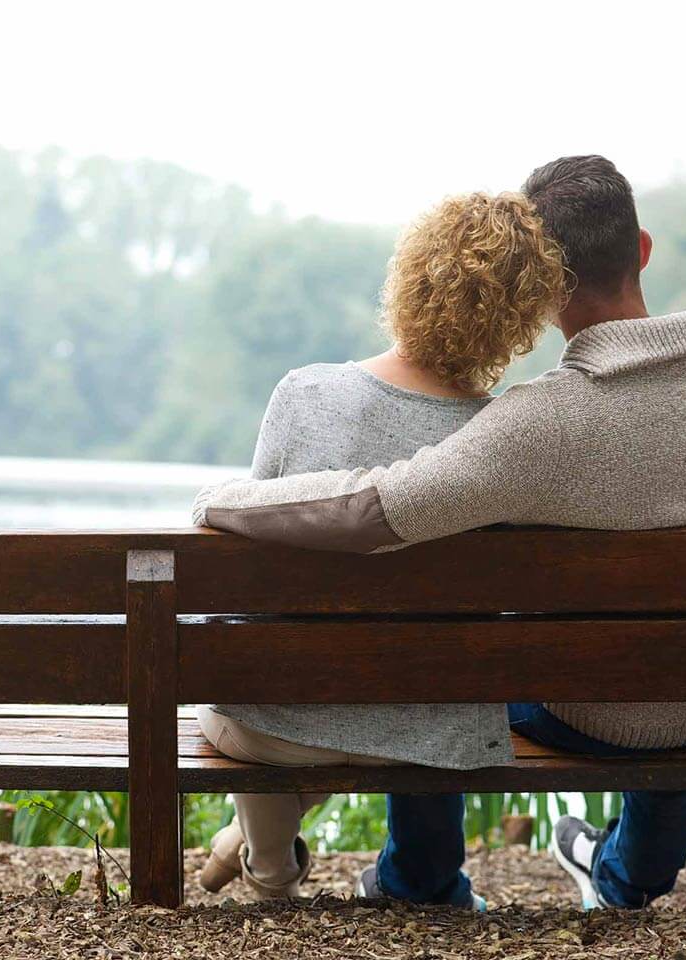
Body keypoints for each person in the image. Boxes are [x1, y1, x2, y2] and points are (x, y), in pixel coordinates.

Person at [193, 156, 686, 909]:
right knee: (676, 649)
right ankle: (625, 876)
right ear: (642, 249)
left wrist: (226, 501)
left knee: (442, 661)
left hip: (593, 712)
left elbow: (377, 507)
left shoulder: (541, 421)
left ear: (542, 287)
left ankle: (416, 879)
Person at [195, 191, 567, 905]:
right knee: (361, 703)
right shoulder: (499, 440)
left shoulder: (304, 393)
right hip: (429, 733)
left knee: (256, 692)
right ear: (519, 320)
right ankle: (259, 852)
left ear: (410, 278)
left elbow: (247, 556)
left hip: (277, 726)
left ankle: (270, 873)